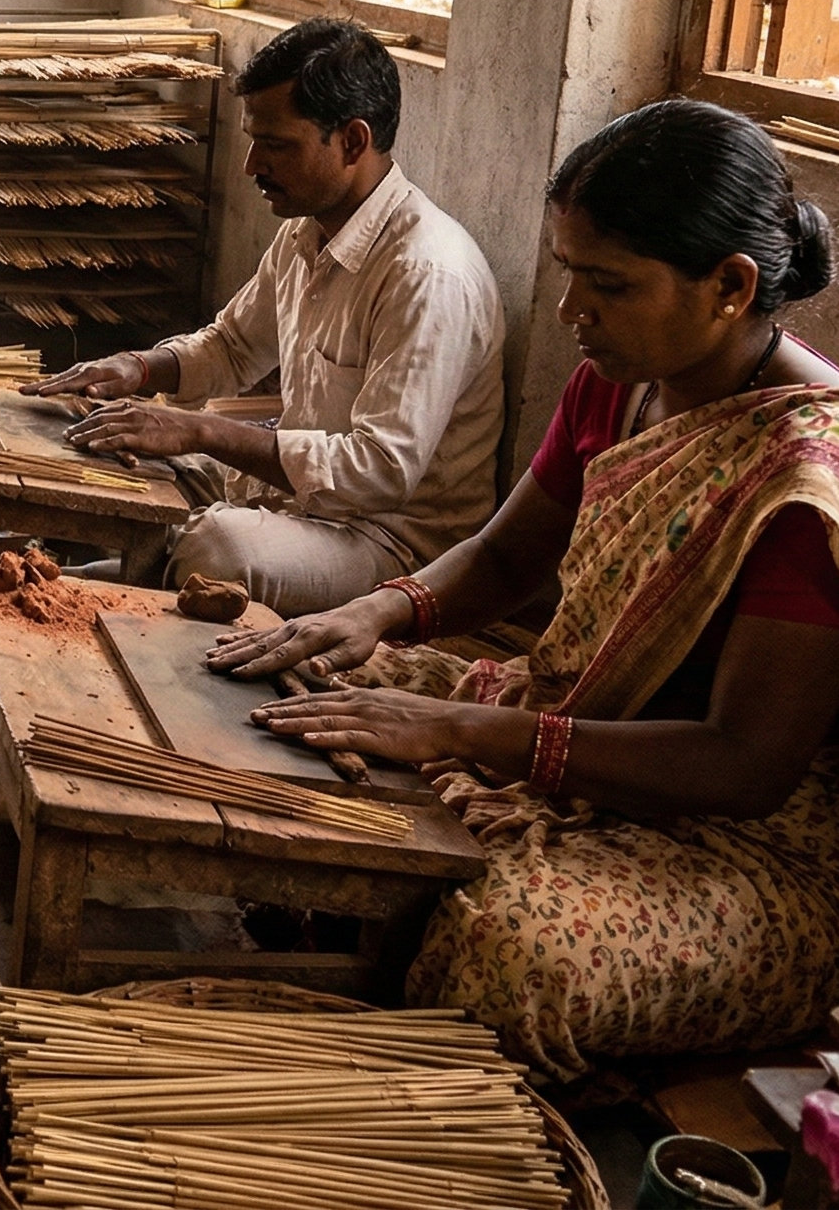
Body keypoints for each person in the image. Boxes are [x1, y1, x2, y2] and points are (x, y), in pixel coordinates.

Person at [212, 99, 839, 1081]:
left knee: (506, 949)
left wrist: (464, 730)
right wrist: (374, 611)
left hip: (741, 840)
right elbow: (507, 560)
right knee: (293, 681)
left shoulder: (802, 480)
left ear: (729, 286)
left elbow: (742, 764)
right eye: (567, 272)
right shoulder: (620, 376)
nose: (567, 311)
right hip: (563, 718)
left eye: (607, 284)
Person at [27, 18, 504, 615]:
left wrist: (201, 430)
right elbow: (232, 346)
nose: (252, 165)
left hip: (392, 543)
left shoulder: (426, 272)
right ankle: (76, 587)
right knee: (107, 445)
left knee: (218, 549)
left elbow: (381, 471)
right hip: (305, 503)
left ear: (353, 142)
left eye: (276, 145)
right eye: (255, 141)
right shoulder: (306, 232)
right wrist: (139, 368)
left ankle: (88, 590)